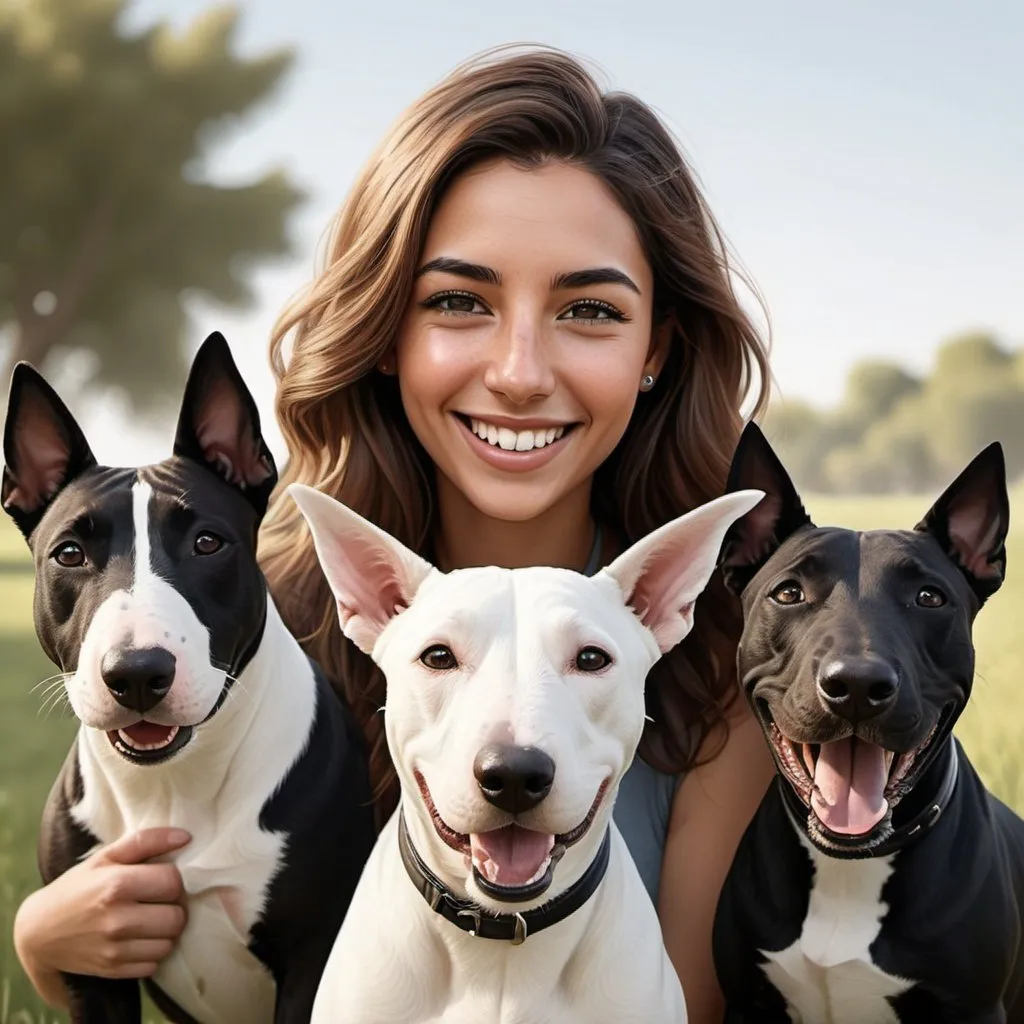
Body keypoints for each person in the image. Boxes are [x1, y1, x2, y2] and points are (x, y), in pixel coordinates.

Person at [14, 45, 776, 1023]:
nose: (517, 370)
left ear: (654, 349)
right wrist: (51, 944)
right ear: (384, 329)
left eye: (588, 309)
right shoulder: (260, 619)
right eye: (460, 300)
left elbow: (673, 1002)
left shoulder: (724, 654)